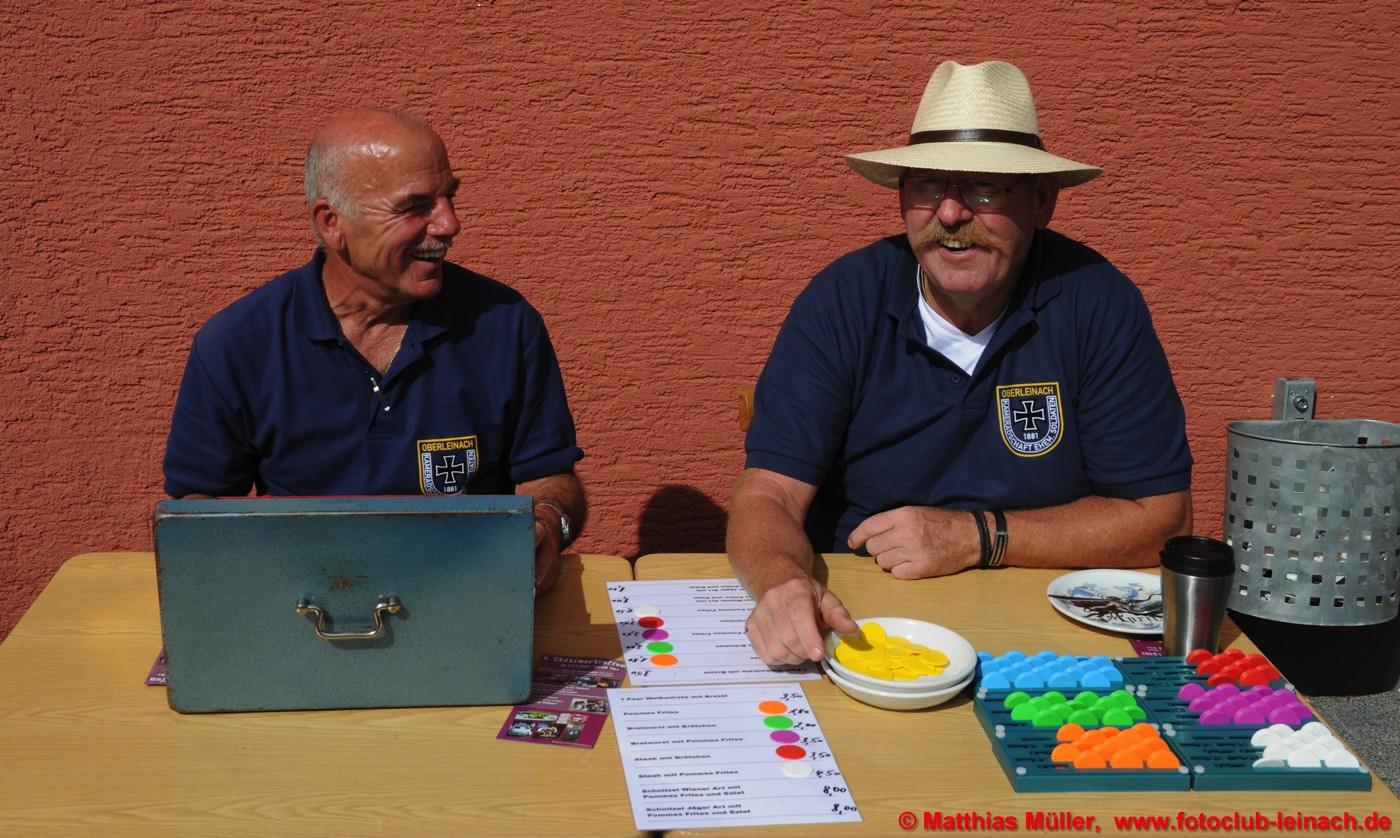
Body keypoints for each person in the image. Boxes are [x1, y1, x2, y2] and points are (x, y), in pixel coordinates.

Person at [728, 61, 1193, 665]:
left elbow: (1160, 519)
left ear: (1043, 201)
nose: (950, 215)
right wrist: (784, 584)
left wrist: (977, 536)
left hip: (1045, 631)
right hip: (863, 620)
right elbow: (768, 494)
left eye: (983, 188)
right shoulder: (845, 298)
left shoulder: (1097, 302)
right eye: (928, 186)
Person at [162, 108, 585, 593]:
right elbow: (195, 509)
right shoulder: (238, 344)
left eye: (449, 196)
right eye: (415, 206)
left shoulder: (505, 324)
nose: (450, 224)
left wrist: (549, 524)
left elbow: (549, 477)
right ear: (332, 223)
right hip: (309, 603)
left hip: (468, 594)